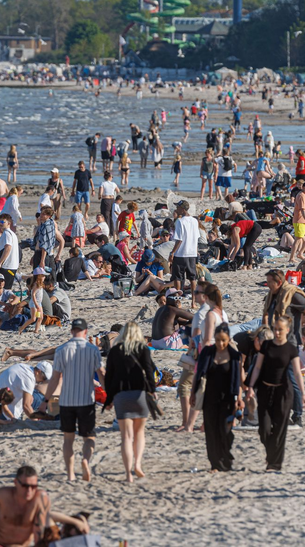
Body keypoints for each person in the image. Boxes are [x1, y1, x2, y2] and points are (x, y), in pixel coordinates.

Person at [38, 319, 105, 482]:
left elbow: (55, 379)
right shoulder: (92, 350)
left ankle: (70, 474)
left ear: (71, 331)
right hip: (86, 400)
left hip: (67, 401)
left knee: (68, 439)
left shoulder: (61, 350)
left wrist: (46, 400)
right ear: (85, 331)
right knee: (89, 437)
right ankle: (85, 460)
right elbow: (101, 374)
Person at [247, 314, 305, 471]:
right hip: (265, 390)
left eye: (280, 330)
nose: (278, 332)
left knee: (280, 430)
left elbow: (297, 372)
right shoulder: (266, 345)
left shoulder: (291, 349)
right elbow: (257, 367)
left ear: (287, 330)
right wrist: (250, 387)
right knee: (264, 430)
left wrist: (303, 394)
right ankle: (270, 455)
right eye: (275, 329)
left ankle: (274, 463)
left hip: (283, 392)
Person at [261, 269, 305, 428]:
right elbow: (266, 313)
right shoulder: (273, 295)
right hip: (274, 341)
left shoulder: (292, 294)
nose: (268, 285)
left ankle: (298, 414)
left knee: (291, 378)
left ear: (278, 282)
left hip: (289, 342)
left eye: (270, 282)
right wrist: (265, 329)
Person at [103, 321, 157, 482]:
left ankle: (128, 474)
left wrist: (109, 399)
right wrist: (152, 391)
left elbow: (110, 377)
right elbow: (149, 371)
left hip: (121, 395)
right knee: (139, 433)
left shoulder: (114, 351)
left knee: (126, 436)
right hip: (139, 394)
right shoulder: (143, 349)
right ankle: (138, 465)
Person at [192, 323, 244, 472]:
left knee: (225, 431)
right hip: (209, 398)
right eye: (218, 340)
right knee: (211, 431)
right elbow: (198, 374)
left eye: (223, 340)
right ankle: (215, 464)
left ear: (228, 339)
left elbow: (239, 381)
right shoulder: (207, 353)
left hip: (228, 398)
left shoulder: (235, 356)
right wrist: (193, 393)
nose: (220, 343)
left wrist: (239, 399)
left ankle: (226, 457)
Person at [169, 200, 200, 294]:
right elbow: (196, 237)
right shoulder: (195, 220)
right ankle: (193, 302)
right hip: (192, 253)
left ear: (182, 209)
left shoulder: (180, 221)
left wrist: (172, 252)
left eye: (178, 207)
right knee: (192, 278)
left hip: (181, 253)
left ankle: (178, 298)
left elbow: (179, 240)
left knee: (178, 277)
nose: (176, 209)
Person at [289, 183, 305, 263]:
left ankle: (300, 253)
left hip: (304, 221)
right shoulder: (301, 195)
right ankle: (291, 258)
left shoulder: (304, 195)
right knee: (298, 239)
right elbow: (302, 209)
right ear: (304, 188)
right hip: (300, 221)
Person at [0, 214, 19, 290]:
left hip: (7, 266)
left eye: (2, 221)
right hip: (12, 265)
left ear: (8, 223)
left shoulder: (7, 233)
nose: (0, 223)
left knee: (3, 289)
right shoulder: (12, 234)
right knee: (6, 289)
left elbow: (8, 248)